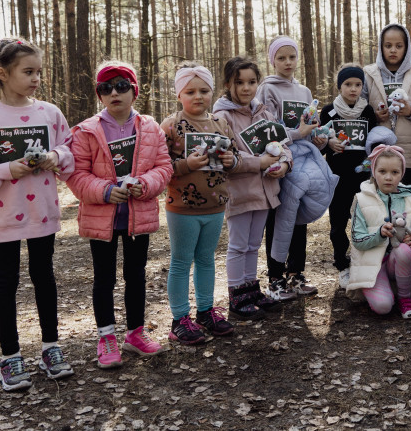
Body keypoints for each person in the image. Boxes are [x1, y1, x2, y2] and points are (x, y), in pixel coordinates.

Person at [0, 38, 75, 391]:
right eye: (28, 72)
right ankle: (10, 356)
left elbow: (71, 151)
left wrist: (54, 157)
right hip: (4, 216)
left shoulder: (50, 113)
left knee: (44, 276)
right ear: (3, 74)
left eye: (39, 71)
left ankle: (51, 348)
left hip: (43, 211)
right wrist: (7, 169)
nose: (36, 78)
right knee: (6, 281)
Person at [68, 61, 174, 368]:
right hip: (102, 218)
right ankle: (106, 337)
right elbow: (76, 175)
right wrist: (103, 191)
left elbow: (164, 167)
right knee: (104, 278)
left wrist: (145, 184)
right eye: (106, 88)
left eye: (122, 86)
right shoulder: (86, 131)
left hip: (138, 216)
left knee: (136, 275)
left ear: (134, 91)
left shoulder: (150, 128)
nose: (115, 93)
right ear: (99, 95)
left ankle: (135, 333)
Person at [160, 63, 237, 341]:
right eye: (190, 91)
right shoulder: (170, 125)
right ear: (179, 95)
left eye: (204, 90)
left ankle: (206, 311)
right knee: (181, 261)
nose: (198, 96)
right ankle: (179, 319)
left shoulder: (220, 122)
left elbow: (234, 156)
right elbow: (160, 166)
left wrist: (231, 160)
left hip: (215, 205)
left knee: (206, 259)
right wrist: (185, 164)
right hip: (182, 207)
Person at [213, 57, 293, 314]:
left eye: (251, 82)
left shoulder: (265, 113)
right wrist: (260, 162)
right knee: (238, 245)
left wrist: (283, 165)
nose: (246, 88)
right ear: (228, 84)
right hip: (239, 192)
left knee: (253, 244)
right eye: (239, 83)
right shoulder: (221, 117)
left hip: (266, 191)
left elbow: (284, 148)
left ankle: (250, 288)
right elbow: (227, 159)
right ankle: (237, 293)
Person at [257, 36, 327, 298]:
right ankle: (275, 278)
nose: (287, 62)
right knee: (278, 219)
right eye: (281, 58)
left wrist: (317, 139)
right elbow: (269, 131)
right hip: (279, 162)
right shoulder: (267, 89)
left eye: (292, 57)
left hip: (304, 163)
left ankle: (296, 274)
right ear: (272, 60)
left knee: (299, 218)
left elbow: (310, 126)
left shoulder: (305, 92)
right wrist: (299, 133)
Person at [346, 145, 411, 319]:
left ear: (402, 173)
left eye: (395, 172)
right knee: (383, 307)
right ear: (374, 171)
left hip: (397, 262)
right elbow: (357, 240)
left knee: (404, 250)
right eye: (382, 171)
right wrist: (379, 234)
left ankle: (405, 298)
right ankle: (382, 289)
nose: (388, 177)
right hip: (372, 265)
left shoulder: (409, 200)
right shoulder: (362, 199)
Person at [319, 65, 378, 286]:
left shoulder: (367, 111)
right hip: (337, 177)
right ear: (340, 86)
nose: (353, 89)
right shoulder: (328, 111)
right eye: (348, 84)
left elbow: (374, 141)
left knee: (363, 220)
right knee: (338, 221)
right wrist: (328, 142)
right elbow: (320, 143)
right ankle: (341, 263)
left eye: (358, 84)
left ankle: (361, 260)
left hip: (362, 177)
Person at [364, 22, 411, 185]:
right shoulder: (369, 75)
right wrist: (374, 117)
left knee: (405, 200)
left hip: (408, 153)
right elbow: (358, 112)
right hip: (378, 152)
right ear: (381, 47)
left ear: (406, 48)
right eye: (388, 45)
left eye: (398, 46)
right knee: (378, 201)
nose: (393, 50)